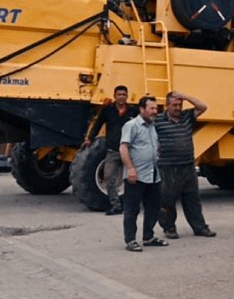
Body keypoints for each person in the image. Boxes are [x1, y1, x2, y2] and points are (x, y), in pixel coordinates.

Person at [156, 90, 216, 239]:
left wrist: (186, 96)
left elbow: (203, 107)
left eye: (180, 105)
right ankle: (169, 228)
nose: (178, 108)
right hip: (168, 166)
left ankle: (200, 227)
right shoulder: (158, 120)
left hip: (188, 166)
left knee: (193, 199)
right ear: (167, 106)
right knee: (167, 199)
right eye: (174, 105)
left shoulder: (187, 116)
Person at [118, 96, 167, 252]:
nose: (155, 111)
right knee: (132, 209)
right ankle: (130, 240)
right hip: (136, 176)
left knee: (153, 207)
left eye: (156, 108)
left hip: (153, 174)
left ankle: (148, 237)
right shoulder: (131, 125)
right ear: (141, 109)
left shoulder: (153, 126)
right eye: (151, 108)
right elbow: (123, 148)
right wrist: (130, 168)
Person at [82, 85, 138, 215]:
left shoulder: (133, 112)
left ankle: (132, 206)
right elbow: (98, 125)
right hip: (113, 150)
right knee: (108, 178)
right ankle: (116, 206)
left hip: (129, 151)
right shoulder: (108, 110)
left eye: (124, 94)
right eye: (119, 94)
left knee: (134, 179)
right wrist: (89, 138)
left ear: (127, 96)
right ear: (114, 96)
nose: (121, 97)